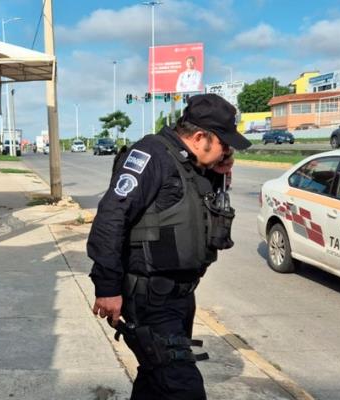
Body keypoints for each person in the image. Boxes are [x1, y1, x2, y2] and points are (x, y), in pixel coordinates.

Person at [88, 94, 250, 400]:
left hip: (179, 299)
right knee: (182, 388)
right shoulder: (152, 156)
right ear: (200, 136)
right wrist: (107, 287)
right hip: (150, 299)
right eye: (223, 144)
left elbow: (192, 211)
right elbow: (111, 218)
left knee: (155, 378)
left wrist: (219, 173)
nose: (226, 151)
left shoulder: (193, 165)